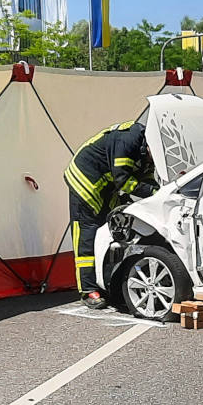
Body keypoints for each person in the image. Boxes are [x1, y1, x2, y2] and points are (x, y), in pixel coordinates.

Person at [63, 121, 157, 308]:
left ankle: (105, 282)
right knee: (87, 234)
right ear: (150, 143)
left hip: (107, 186)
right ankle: (88, 290)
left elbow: (145, 179)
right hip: (85, 182)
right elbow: (124, 181)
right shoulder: (128, 141)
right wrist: (156, 193)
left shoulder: (145, 149)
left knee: (111, 230)